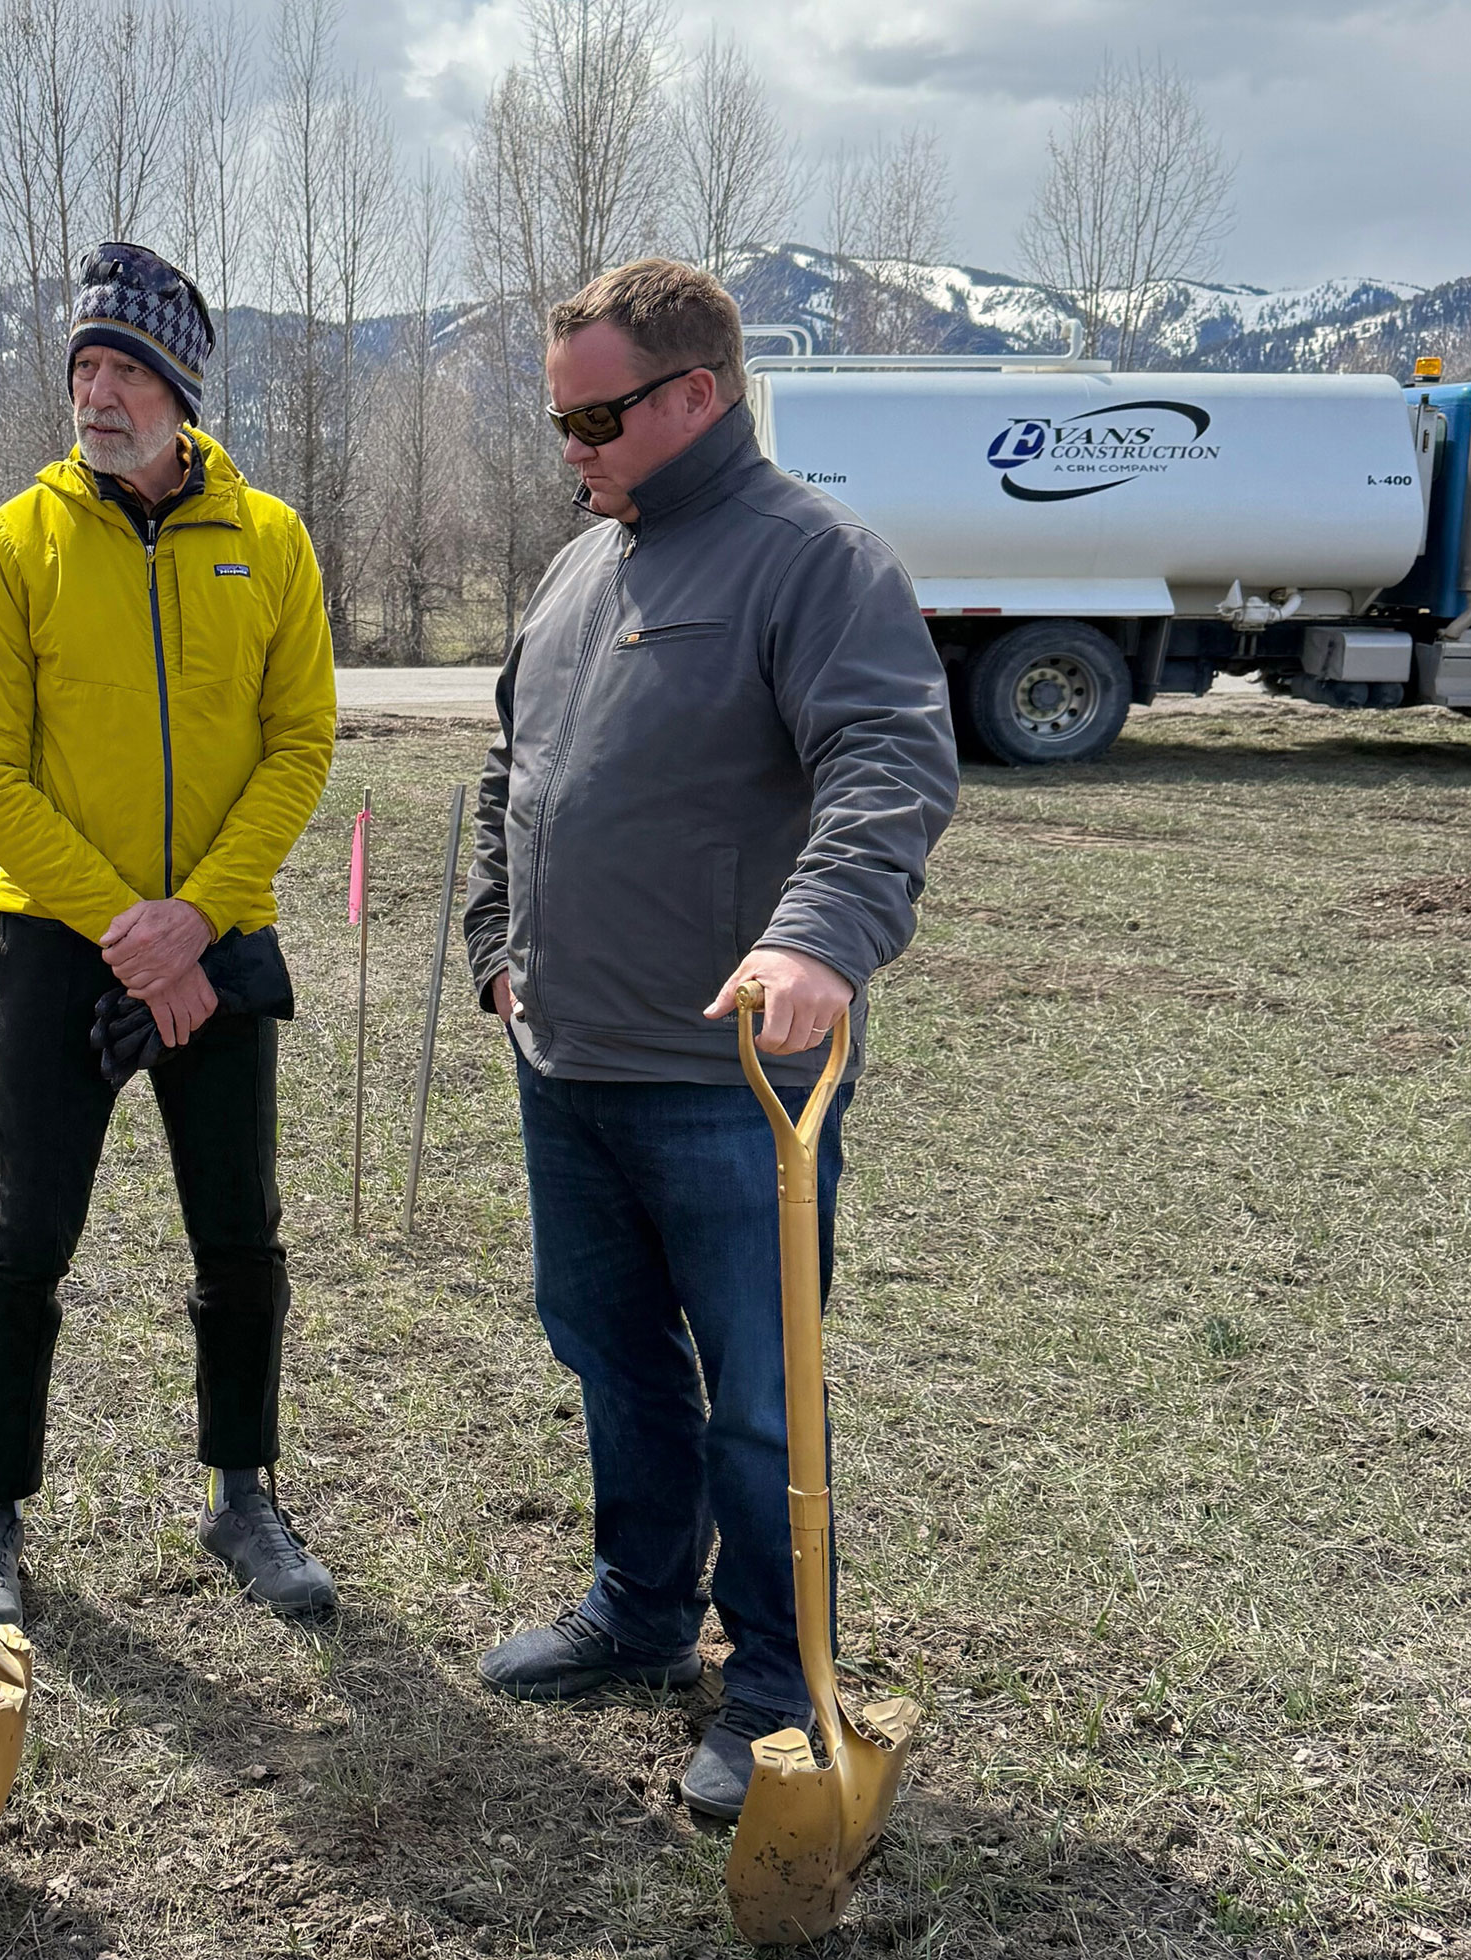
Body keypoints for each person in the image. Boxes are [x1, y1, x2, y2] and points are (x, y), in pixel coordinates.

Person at [462, 258, 958, 1821]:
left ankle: (772, 1689)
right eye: (558, 421)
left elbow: (886, 758)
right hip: (569, 1059)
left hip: (733, 1087)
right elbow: (511, 772)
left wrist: (816, 935)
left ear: (696, 395)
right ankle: (640, 1608)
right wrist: (497, 950)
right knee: (608, 1349)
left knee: (760, 1387)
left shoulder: (813, 561)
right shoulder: (573, 570)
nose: (572, 449)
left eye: (595, 417)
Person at [0, 241, 338, 1625]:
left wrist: (197, 921)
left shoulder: (272, 541)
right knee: (24, 1240)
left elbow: (300, 746)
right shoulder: (12, 546)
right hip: (63, 939)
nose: (95, 393)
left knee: (239, 1233)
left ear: (180, 389)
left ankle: (244, 1495)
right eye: (83, 367)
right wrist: (128, 930)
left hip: (217, 930)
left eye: (123, 368)